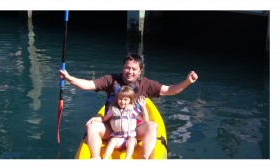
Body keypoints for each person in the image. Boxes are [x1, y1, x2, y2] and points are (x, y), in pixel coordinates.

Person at [59, 53, 198, 159]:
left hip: (134, 131)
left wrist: (187, 82)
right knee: (91, 126)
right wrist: (69, 78)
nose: (130, 72)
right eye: (127, 68)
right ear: (123, 68)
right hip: (111, 128)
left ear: (139, 72)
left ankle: (145, 158)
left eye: (134, 69)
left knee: (152, 126)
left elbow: (169, 90)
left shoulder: (145, 84)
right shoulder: (111, 80)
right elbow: (88, 85)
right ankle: (96, 158)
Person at [87, 86, 148, 160]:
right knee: (112, 141)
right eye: (120, 99)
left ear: (130, 100)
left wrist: (143, 107)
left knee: (131, 142)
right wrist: (95, 119)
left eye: (125, 99)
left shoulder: (132, 110)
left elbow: (145, 121)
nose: (122, 102)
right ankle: (105, 158)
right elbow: (104, 119)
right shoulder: (113, 110)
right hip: (118, 138)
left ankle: (127, 159)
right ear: (117, 99)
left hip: (130, 138)